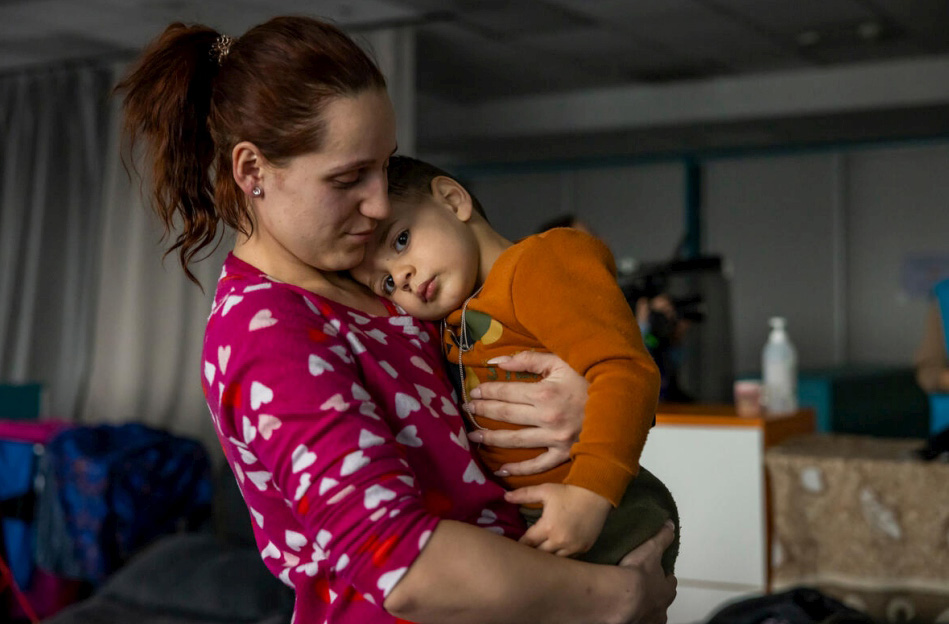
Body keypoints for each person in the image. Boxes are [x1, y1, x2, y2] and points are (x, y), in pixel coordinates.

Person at [116, 15, 676, 624]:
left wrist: (585, 393)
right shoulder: (265, 331)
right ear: (252, 173)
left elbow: (505, 368)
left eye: (383, 166)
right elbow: (401, 563)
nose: (380, 203)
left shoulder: (370, 281)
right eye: (348, 177)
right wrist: (618, 600)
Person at [352, 156, 678, 570]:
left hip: (597, 505)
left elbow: (626, 369)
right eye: (386, 283)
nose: (403, 276)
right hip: (531, 513)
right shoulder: (452, 317)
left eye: (400, 241)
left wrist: (588, 497)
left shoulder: (541, 262)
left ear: (453, 201)